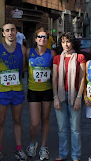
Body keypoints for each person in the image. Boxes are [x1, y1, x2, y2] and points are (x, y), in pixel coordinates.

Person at [0, 22, 28, 161]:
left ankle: (19, 148)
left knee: (17, 120)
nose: (10, 32)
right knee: (0, 120)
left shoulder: (22, 49)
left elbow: (23, 68)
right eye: (7, 30)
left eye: (12, 30)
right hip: (2, 91)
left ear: (16, 32)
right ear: (3, 33)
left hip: (17, 90)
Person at [52, 32, 86, 161]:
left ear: (73, 42)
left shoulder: (80, 57)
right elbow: (54, 78)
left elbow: (83, 78)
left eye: (68, 41)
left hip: (74, 95)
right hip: (60, 96)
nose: (66, 44)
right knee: (62, 128)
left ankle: (76, 155)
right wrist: (55, 97)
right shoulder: (57, 59)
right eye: (63, 42)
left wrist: (79, 97)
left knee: (75, 129)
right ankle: (63, 154)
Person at [25, 28, 56, 160]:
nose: (42, 39)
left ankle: (43, 147)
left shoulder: (52, 53)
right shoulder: (28, 52)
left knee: (45, 120)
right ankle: (32, 143)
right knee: (34, 122)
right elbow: (23, 67)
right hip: (33, 90)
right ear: (36, 39)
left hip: (47, 91)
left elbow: (55, 73)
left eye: (45, 37)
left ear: (47, 40)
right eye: (40, 37)